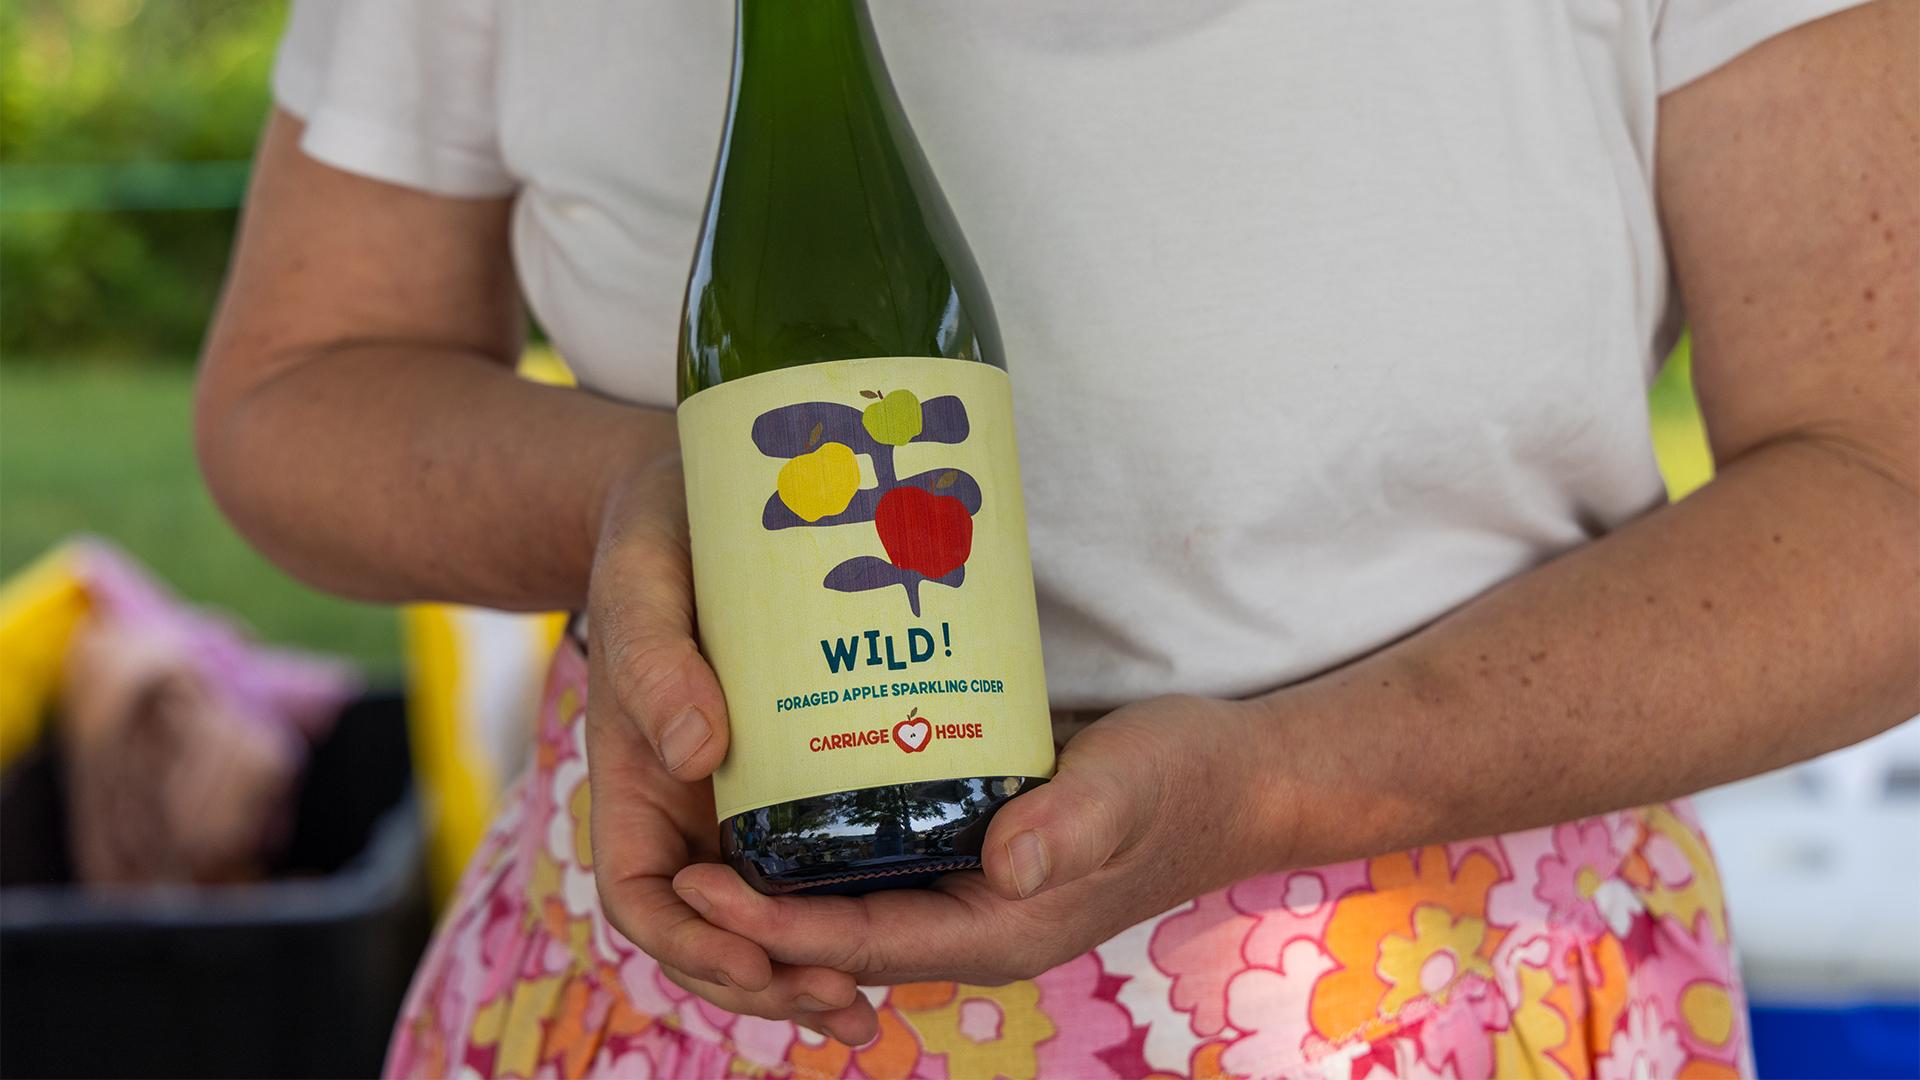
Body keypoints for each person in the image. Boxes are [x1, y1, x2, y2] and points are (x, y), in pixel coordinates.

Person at [196, 2, 1916, 1076]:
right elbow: (297, 389)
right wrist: (636, 502)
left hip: (1425, 997)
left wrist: (1291, 780)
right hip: (701, 964)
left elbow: (1884, 496)